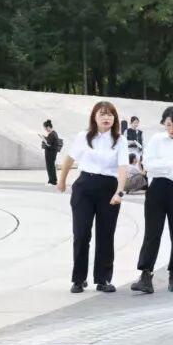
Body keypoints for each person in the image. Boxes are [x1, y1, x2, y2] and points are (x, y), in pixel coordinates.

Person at [57, 101, 128, 293]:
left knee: (105, 235)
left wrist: (119, 191)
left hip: (109, 189)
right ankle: (79, 279)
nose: (107, 118)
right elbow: (69, 159)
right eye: (102, 114)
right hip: (84, 187)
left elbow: (123, 167)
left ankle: (103, 279)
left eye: (110, 114)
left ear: (115, 119)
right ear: (94, 117)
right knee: (81, 234)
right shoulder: (83, 137)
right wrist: (62, 181)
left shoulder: (120, 140)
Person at [131, 106, 173, 294]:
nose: (171, 129)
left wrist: (164, 170)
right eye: (168, 125)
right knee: (152, 232)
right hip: (157, 189)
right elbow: (148, 164)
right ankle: (146, 275)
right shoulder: (156, 140)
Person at [40, 120, 60, 185]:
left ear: (48, 127)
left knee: (50, 167)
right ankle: (53, 180)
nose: (45, 130)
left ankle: (52, 181)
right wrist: (45, 138)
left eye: (45, 128)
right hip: (52, 152)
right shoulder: (54, 133)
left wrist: (44, 139)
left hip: (50, 153)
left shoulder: (52, 134)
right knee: (51, 166)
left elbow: (49, 144)